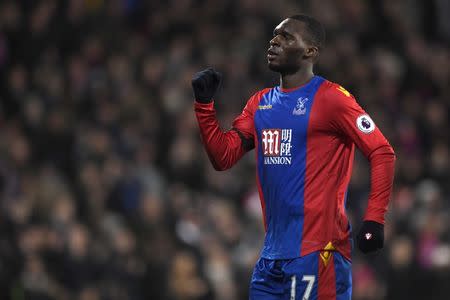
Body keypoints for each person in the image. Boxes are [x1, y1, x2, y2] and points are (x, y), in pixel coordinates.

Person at [191, 14, 395, 300]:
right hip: (271, 259)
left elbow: (382, 151)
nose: (274, 41)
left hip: (320, 252)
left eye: (286, 37)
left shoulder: (332, 99)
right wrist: (204, 107)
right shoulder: (260, 103)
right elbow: (223, 157)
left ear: (310, 51)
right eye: (275, 35)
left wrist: (374, 218)